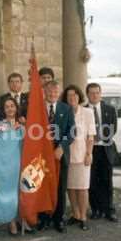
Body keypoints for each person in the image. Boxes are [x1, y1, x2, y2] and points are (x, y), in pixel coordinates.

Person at [37, 80, 75, 233]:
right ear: (44, 92)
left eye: (55, 92)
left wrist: (61, 147)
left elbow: (72, 132)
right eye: (49, 91)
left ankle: (59, 219)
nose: (52, 94)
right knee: (42, 187)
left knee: (60, 187)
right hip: (42, 157)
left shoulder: (66, 109)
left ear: (59, 93)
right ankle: (44, 219)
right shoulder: (38, 109)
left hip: (60, 155)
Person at [62, 85, 95, 231]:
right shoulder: (63, 112)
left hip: (82, 156)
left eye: (74, 95)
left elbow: (91, 136)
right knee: (71, 187)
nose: (72, 98)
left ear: (79, 96)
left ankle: (83, 217)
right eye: (69, 95)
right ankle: (75, 214)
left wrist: (89, 153)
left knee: (82, 188)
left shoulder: (88, 112)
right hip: (67, 155)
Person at [86, 82, 119, 222]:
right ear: (87, 94)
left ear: (101, 94)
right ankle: (96, 210)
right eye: (92, 93)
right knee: (92, 181)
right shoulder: (83, 110)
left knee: (107, 181)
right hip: (90, 150)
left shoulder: (110, 109)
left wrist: (102, 138)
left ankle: (109, 210)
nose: (94, 95)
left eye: (97, 92)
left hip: (105, 149)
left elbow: (113, 128)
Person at [0, 97, 22, 235]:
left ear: (16, 107)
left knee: (20, 192)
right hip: (7, 163)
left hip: (20, 162)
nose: (10, 109)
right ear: (3, 110)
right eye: (7, 107)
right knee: (9, 192)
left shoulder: (23, 123)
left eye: (12, 106)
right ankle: (11, 222)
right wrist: (11, 128)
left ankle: (22, 219)